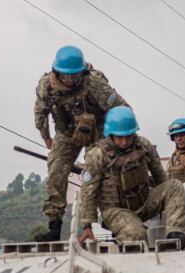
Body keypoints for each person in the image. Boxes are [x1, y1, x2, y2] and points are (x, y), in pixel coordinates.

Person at [34, 45, 129, 242]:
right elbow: (40, 113)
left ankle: (112, 221)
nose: (70, 80)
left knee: (100, 172)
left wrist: (116, 141)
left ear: (83, 72)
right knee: (56, 171)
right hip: (67, 130)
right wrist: (47, 139)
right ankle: (54, 226)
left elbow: (122, 109)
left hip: (98, 128)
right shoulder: (46, 86)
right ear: (56, 72)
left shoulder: (94, 83)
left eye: (75, 76)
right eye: (66, 76)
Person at [77, 107, 185, 248]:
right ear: (111, 134)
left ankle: (174, 237)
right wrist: (87, 226)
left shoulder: (143, 145)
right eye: (120, 137)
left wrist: (175, 202)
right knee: (137, 236)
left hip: (143, 203)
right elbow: (88, 191)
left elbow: (160, 177)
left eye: (129, 135)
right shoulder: (97, 155)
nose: (125, 141)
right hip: (116, 211)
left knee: (175, 185)